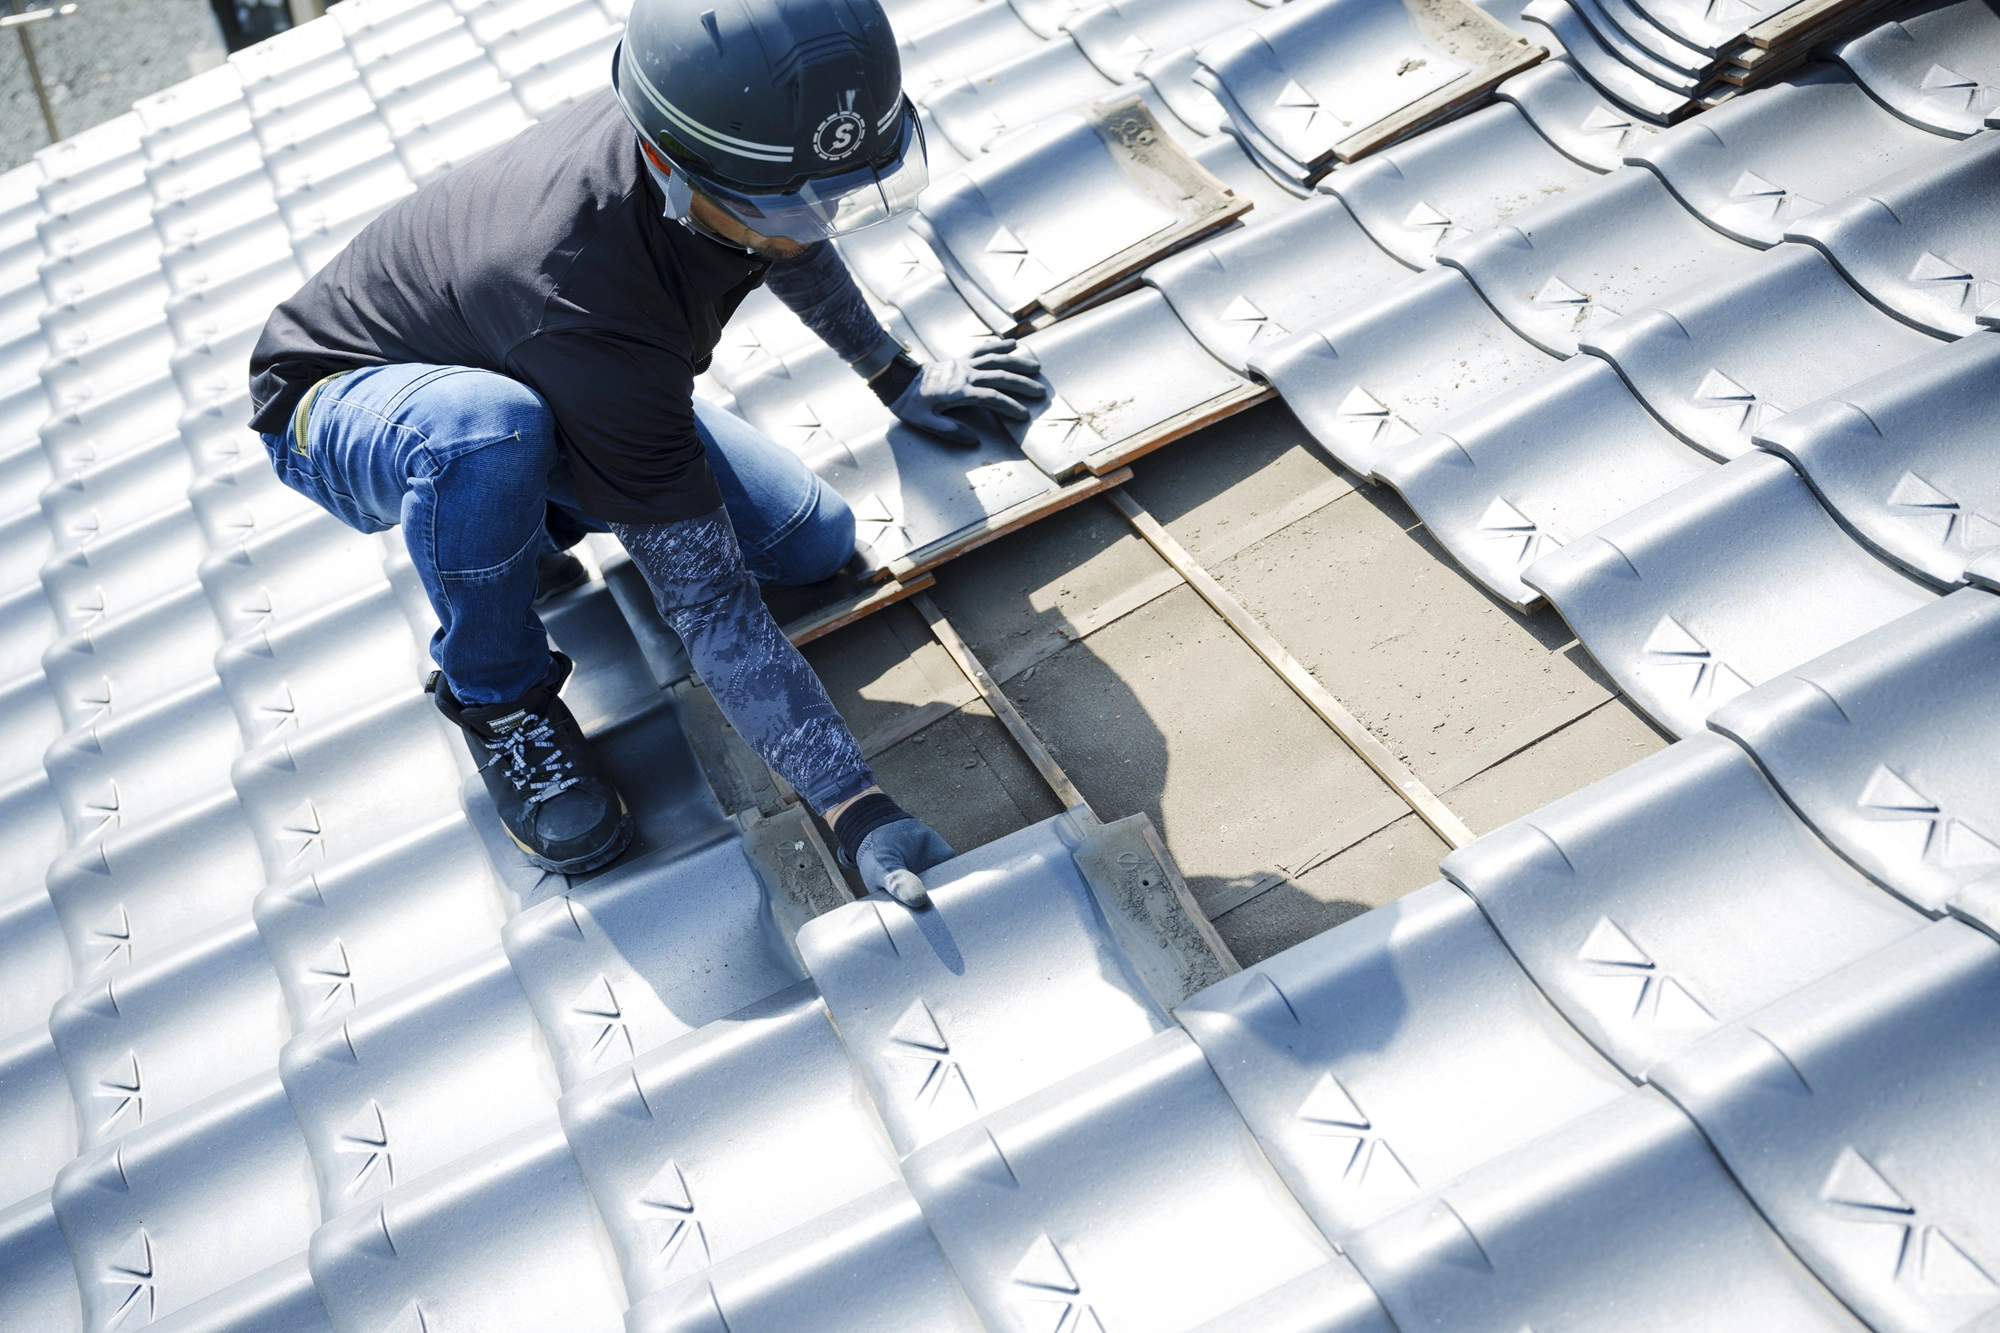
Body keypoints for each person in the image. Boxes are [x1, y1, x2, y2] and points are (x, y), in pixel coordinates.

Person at [246, 0, 1047, 903]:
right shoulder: (590, 306)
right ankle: (499, 692)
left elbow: (798, 225)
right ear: (670, 167)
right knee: (487, 432)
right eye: (784, 211)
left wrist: (894, 374)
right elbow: (709, 606)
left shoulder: (732, 145)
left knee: (812, 545)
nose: (807, 227)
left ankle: (530, 511)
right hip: (342, 398)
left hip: (540, 366)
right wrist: (853, 804)